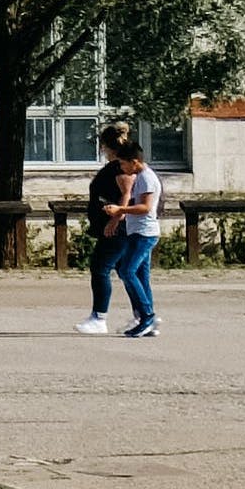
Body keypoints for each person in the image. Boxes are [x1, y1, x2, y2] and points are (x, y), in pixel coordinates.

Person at [78, 121, 161, 340]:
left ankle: (102, 317)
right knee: (137, 272)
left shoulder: (124, 169)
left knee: (109, 268)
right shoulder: (126, 168)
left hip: (130, 229)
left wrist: (116, 217)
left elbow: (130, 197)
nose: (102, 152)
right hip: (132, 228)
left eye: (103, 147)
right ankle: (143, 315)